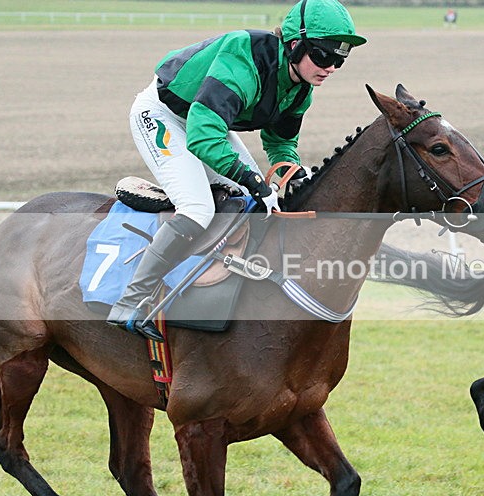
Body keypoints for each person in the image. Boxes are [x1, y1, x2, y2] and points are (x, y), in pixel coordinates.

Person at [106, 0, 366, 341]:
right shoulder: (243, 55)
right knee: (198, 208)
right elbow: (203, 137)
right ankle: (131, 300)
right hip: (164, 116)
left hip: (208, 120)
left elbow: (280, 144)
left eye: (339, 60)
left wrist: (289, 169)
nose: (330, 67)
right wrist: (253, 178)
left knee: (251, 201)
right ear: (294, 44)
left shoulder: (301, 89)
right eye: (323, 55)